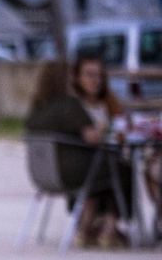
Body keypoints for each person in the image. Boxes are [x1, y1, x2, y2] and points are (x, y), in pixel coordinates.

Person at [26, 58, 132, 250]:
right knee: (121, 169)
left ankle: (86, 227)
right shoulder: (69, 106)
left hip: (45, 174)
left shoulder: (37, 108)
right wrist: (108, 130)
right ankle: (108, 228)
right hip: (73, 173)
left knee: (104, 169)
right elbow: (93, 137)